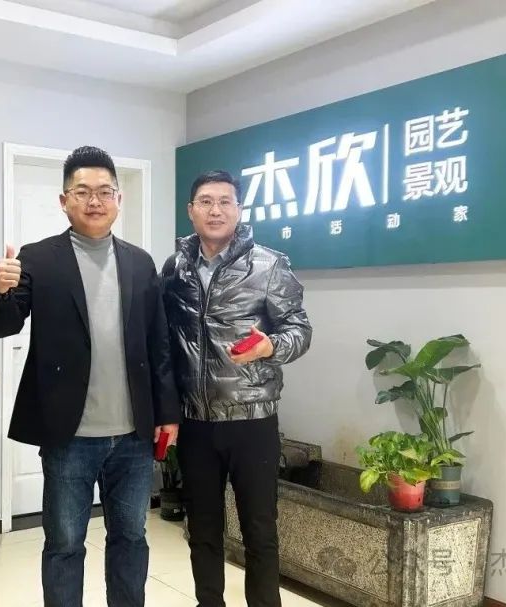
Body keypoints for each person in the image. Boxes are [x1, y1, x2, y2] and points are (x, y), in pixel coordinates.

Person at [0, 146, 181, 607]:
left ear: (118, 199)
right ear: (64, 200)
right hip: (69, 435)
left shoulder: (140, 262)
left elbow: (159, 344)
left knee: (131, 538)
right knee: (65, 544)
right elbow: (3, 325)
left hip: (133, 435)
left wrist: (167, 412)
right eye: (83, 192)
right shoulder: (38, 258)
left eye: (105, 191)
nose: (95, 201)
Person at [160, 169, 312, 607]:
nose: (216, 210)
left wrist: (270, 346)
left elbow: (300, 330)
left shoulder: (269, 264)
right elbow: (165, 340)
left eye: (225, 201)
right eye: (206, 201)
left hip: (252, 420)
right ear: (191, 210)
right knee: (202, 530)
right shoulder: (175, 268)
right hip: (196, 422)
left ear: (239, 209)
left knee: (260, 531)